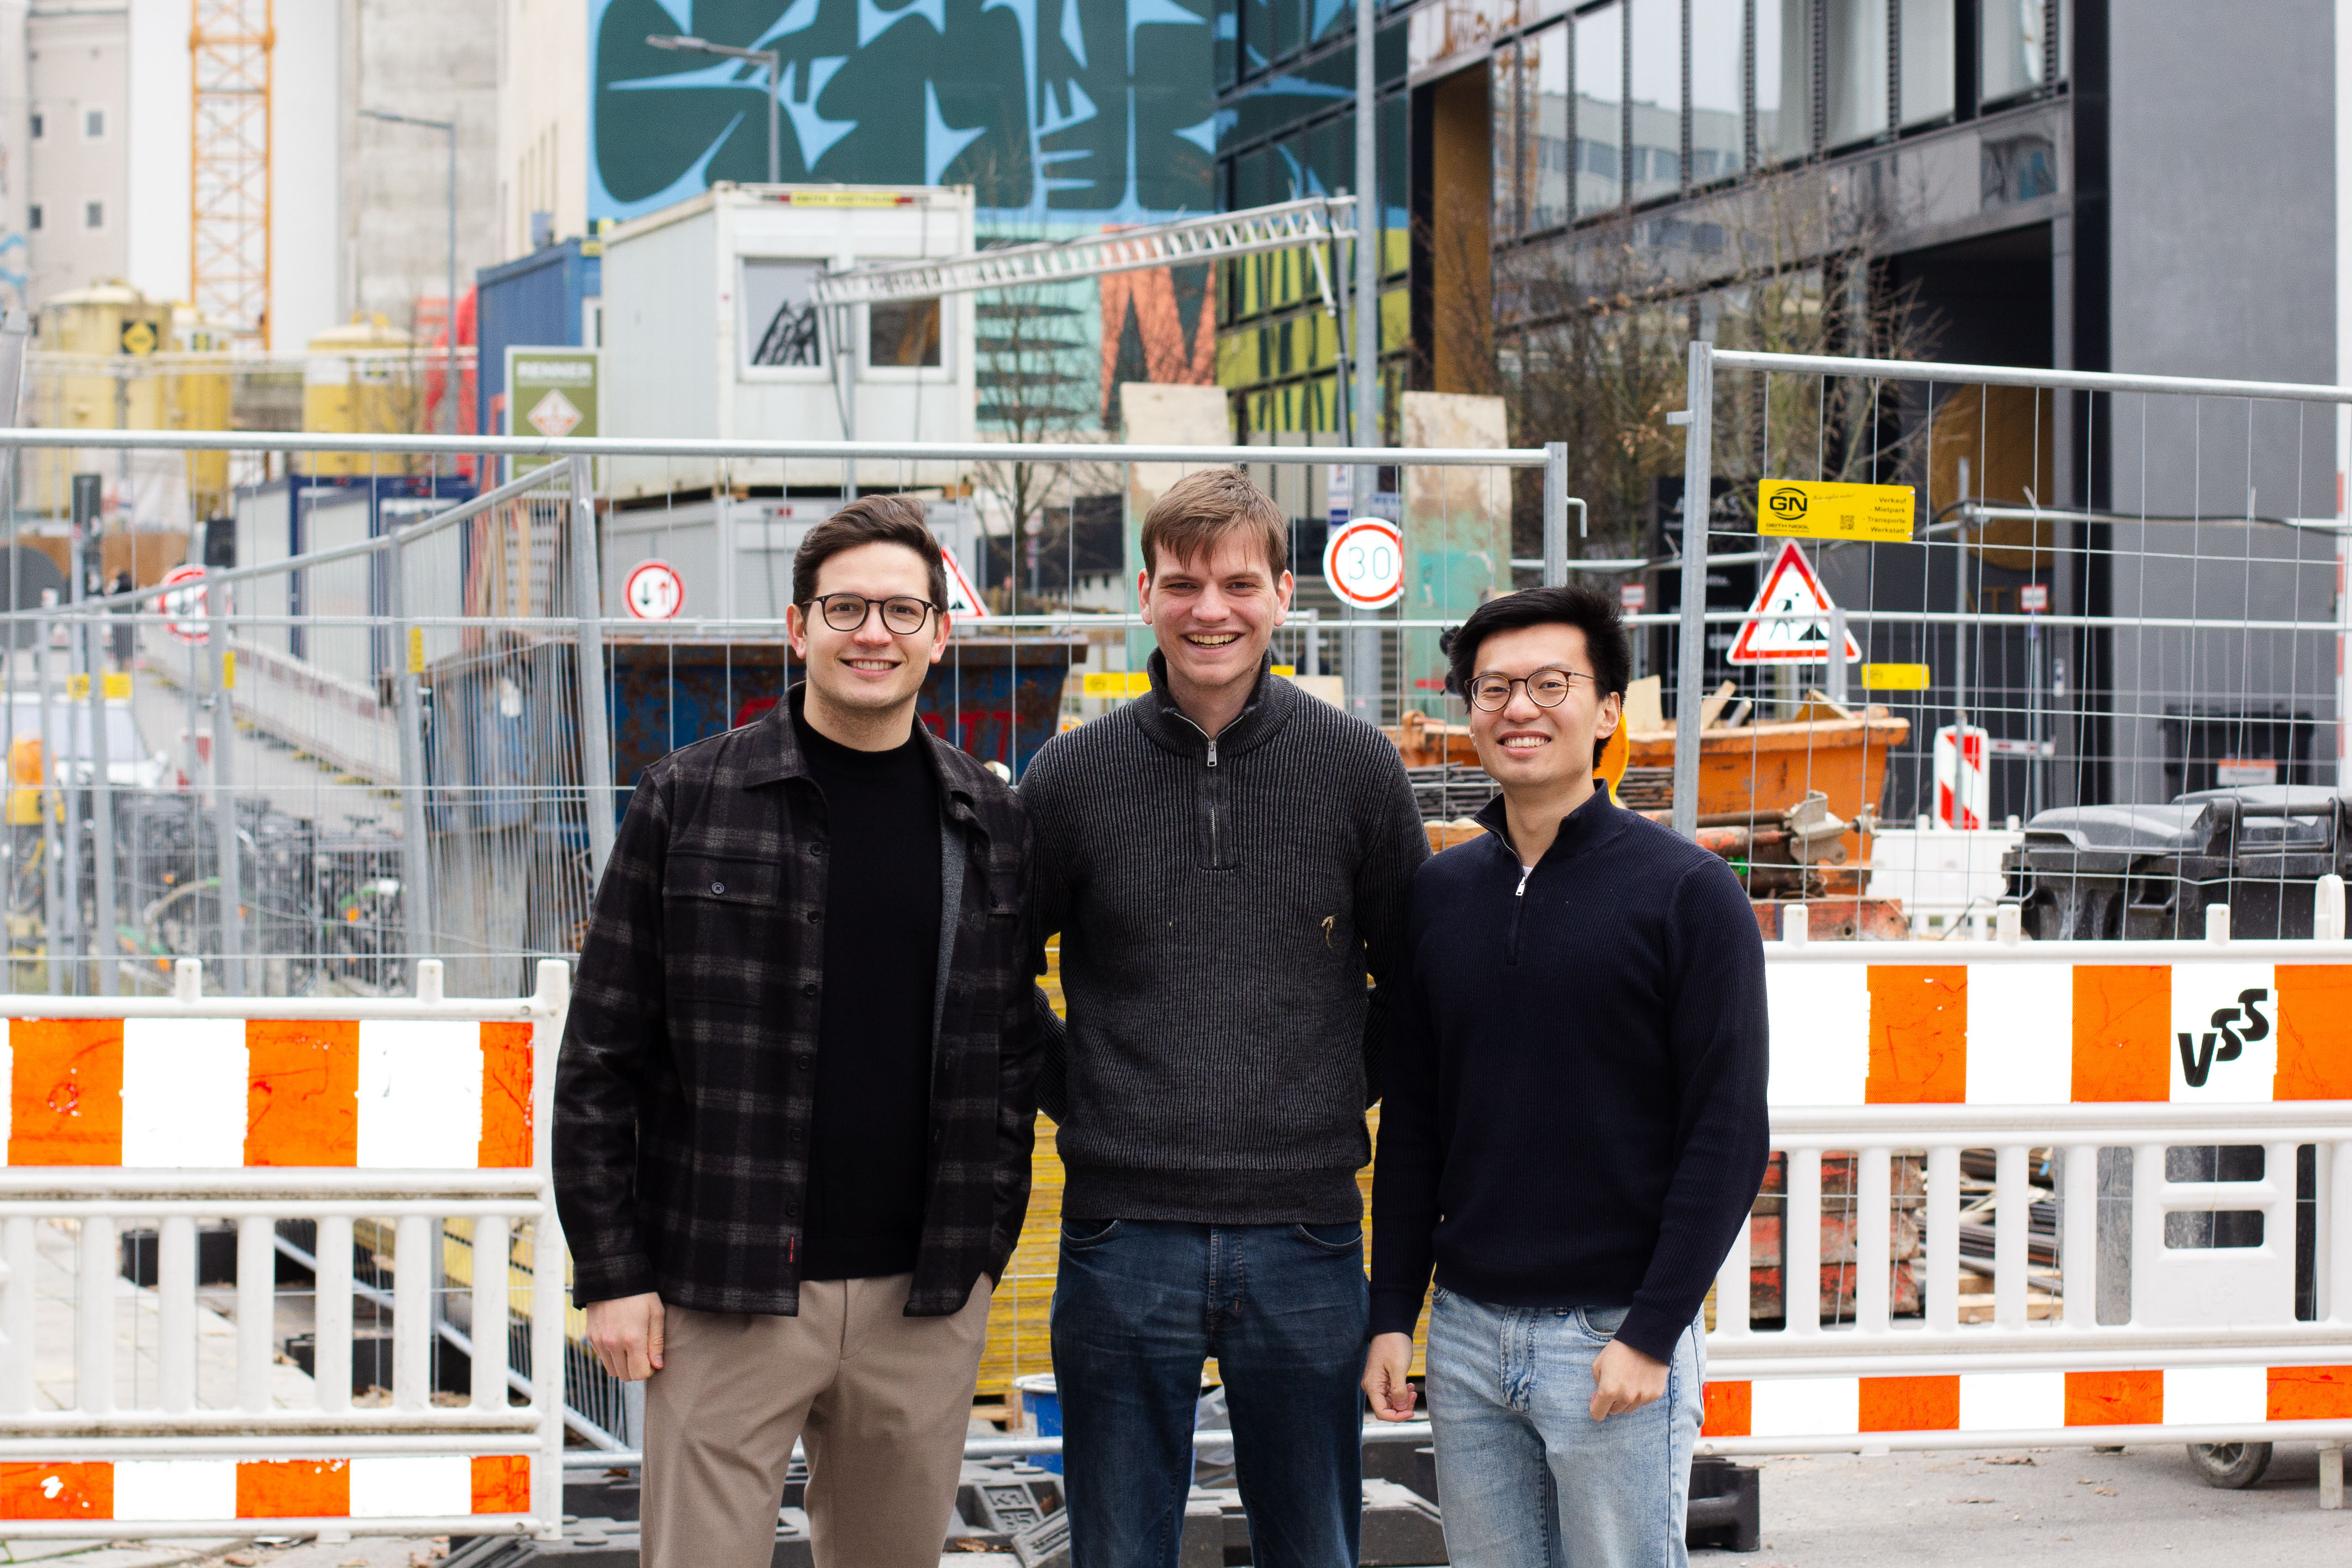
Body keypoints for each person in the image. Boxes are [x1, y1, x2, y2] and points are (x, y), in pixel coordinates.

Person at [554, 495, 1043, 1568]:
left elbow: (1010, 1047)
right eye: (845, 607)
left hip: (922, 1299)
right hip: (724, 1287)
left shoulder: (988, 819)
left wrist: (980, 1254)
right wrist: (612, 1271)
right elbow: (600, 1058)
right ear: (797, 626)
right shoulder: (689, 800)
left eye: (902, 611)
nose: (874, 633)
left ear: (939, 635)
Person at [1022, 467, 1428, 1568]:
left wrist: (1328, 1085)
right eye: (1183, 584)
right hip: (1121, 1234)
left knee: (1314, 1548)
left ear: (1284, 594)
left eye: (1239, 583)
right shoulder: (1069, 777)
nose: (1211, 610)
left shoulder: (1356, 768)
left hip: (1305, 1234)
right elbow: (994, 980)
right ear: (1144, 597)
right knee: (1118, 1550)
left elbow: (1412, 980)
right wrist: (1088, 1087)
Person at [1363, 583, 1770, 1568]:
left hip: (1611, 1334)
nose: (1520, 708)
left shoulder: (1687, 893)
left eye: (1551, 683)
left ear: (1607, 710)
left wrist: (1654, 1329)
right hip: (1466, 1334)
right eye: (1493, 687)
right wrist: (1391, 1314)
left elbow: (1726, 1131)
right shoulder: (1439, 894)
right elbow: (1414, 1121)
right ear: (1469, 710)